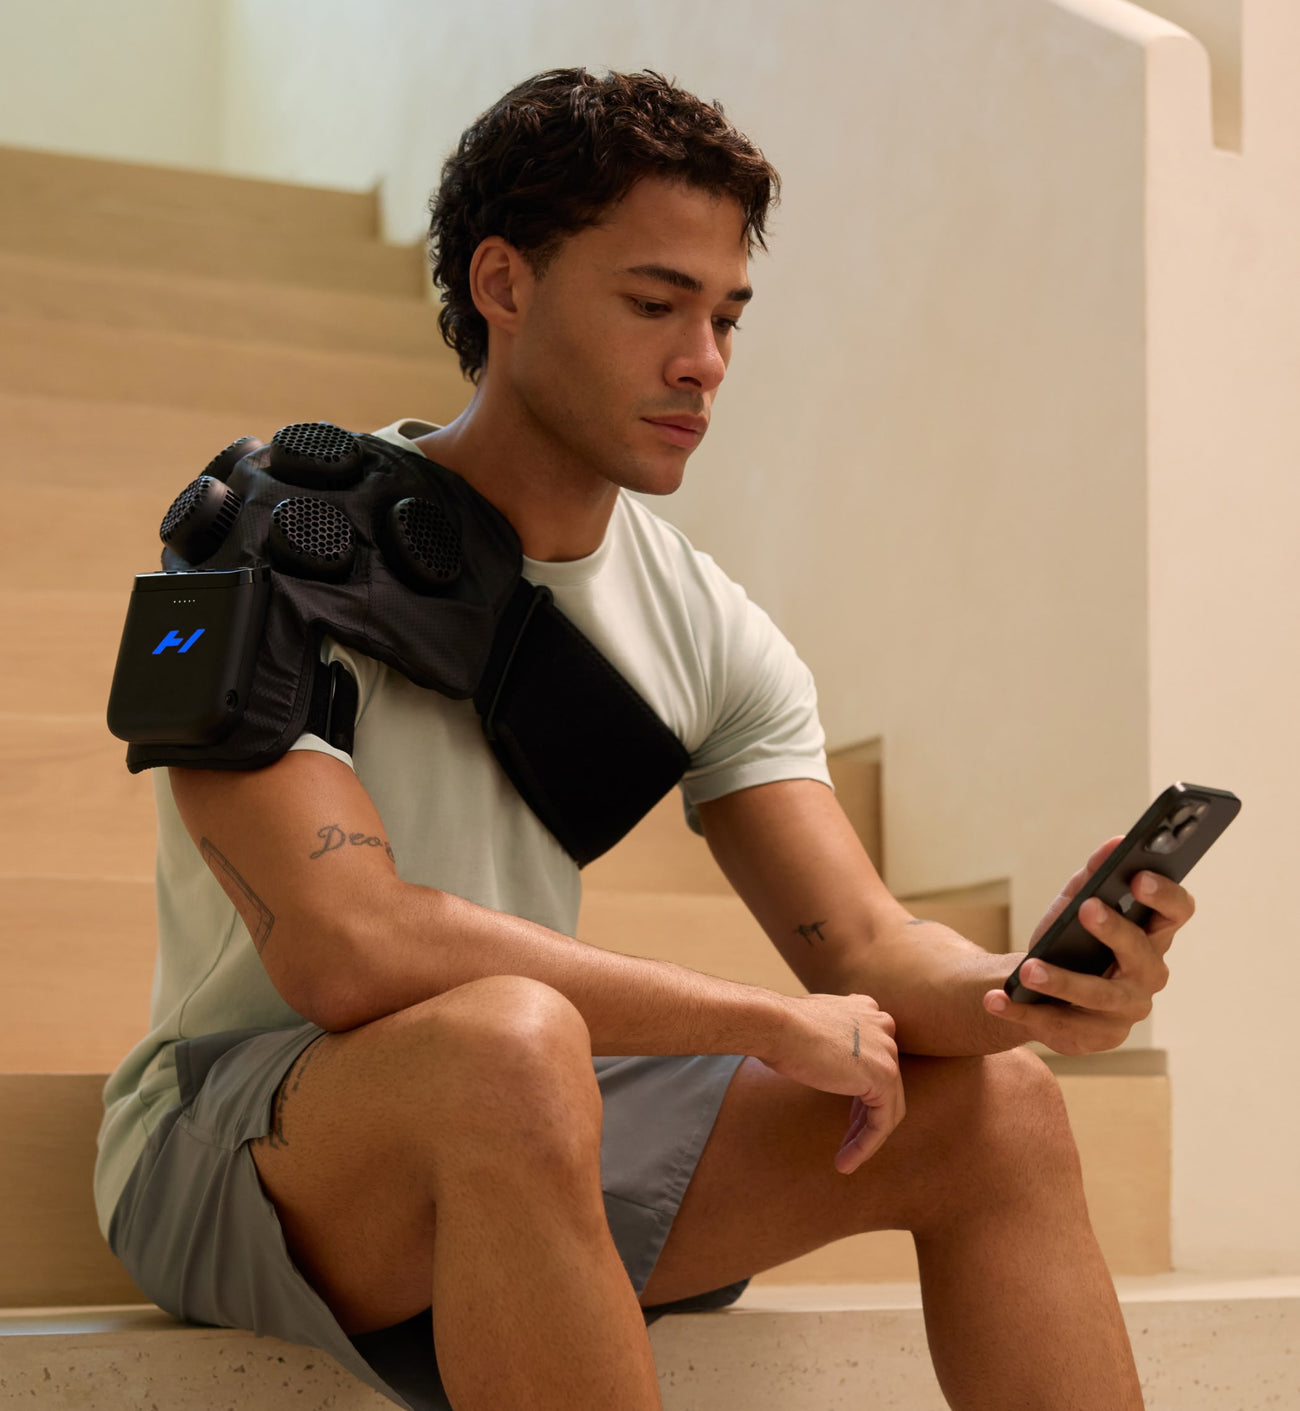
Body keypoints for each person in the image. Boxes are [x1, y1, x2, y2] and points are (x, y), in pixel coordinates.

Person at [94, 68, 1192, 1411]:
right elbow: (349, 947)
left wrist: (1027, 987)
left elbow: (860, 946)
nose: (704, 362)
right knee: (512, 1043)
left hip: (532, 1119)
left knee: (1003, 1108)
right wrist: (755, 1021)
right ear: (504, 284)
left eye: (726, 315)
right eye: (654, 303)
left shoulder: (703, 623)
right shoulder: (277, 544)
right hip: (241, 1144)